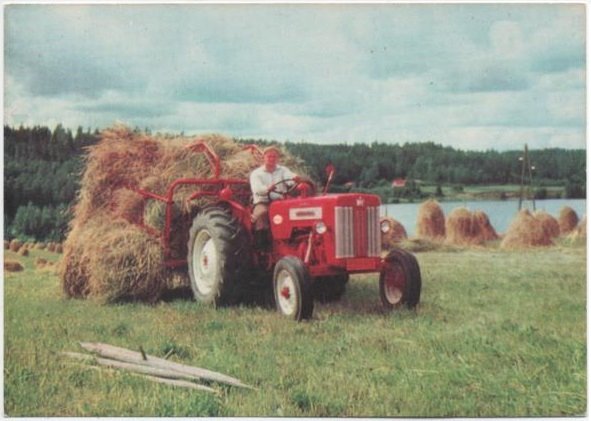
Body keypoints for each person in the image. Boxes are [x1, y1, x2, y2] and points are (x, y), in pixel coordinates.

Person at [249, 146, 302, 247]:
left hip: (281, 201)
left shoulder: (282, 170)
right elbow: (257, 189)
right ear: (264, 157)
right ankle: (262, 246)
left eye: (274, 157)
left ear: (277, 158)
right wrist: (267, 189)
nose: (272, 159)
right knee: (261, 214)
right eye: (269, 156)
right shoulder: (256, 174)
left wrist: (295, 178)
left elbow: (289, 177)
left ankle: (293, 239)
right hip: (264, 202)